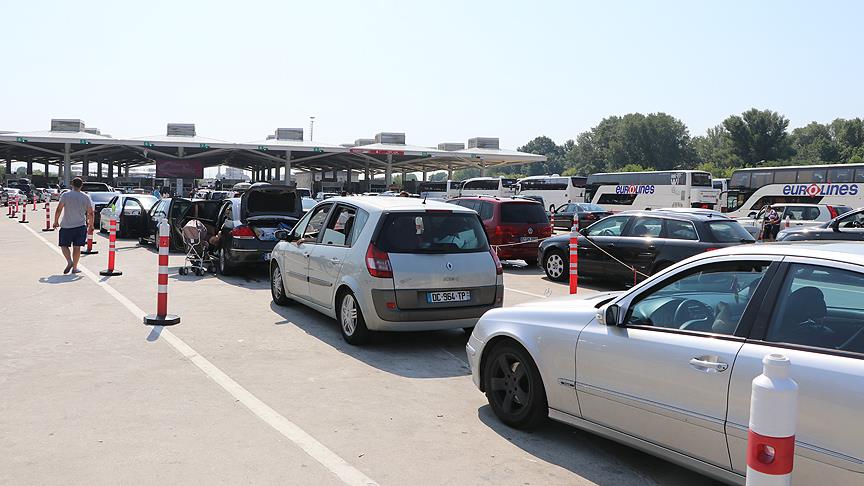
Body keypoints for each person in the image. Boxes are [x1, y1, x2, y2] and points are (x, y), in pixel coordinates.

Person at [53, 177, 94, 274]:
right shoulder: (85, 197)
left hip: (66, 226)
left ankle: (69, 261)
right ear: (81, 185)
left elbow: (59, 209)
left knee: (63, 245)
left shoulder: (65, 195)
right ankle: (75, 268)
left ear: (72, 184)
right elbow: (90, 213)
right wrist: (91, 225)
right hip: (80, 226)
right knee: (77, 247)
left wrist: (56, 221)